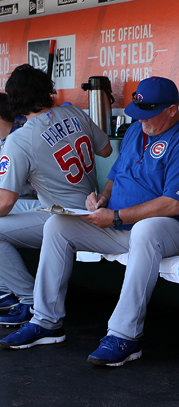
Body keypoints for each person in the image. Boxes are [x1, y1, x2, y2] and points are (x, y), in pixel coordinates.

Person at [0, 76, 179, 367]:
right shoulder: (136, 133)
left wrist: (115, 216)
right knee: (57, 225)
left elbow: (173, 205)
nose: (142, 122)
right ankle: (46, 321)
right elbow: (115, 177)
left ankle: (125, 335)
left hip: (174, 230)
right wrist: (102, 199)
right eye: (138, 115)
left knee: (146, 230)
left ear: (172, 110)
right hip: (122, 225)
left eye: (149, 115)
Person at [0, 66, 112, 325]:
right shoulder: (73, 112)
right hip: (91, 206)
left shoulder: (20, 139)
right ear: (47, 90)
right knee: (23, 208)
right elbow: (106, 150)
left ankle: (29, 300)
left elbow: (5, 202)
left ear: (14, 99)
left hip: (64, 219)